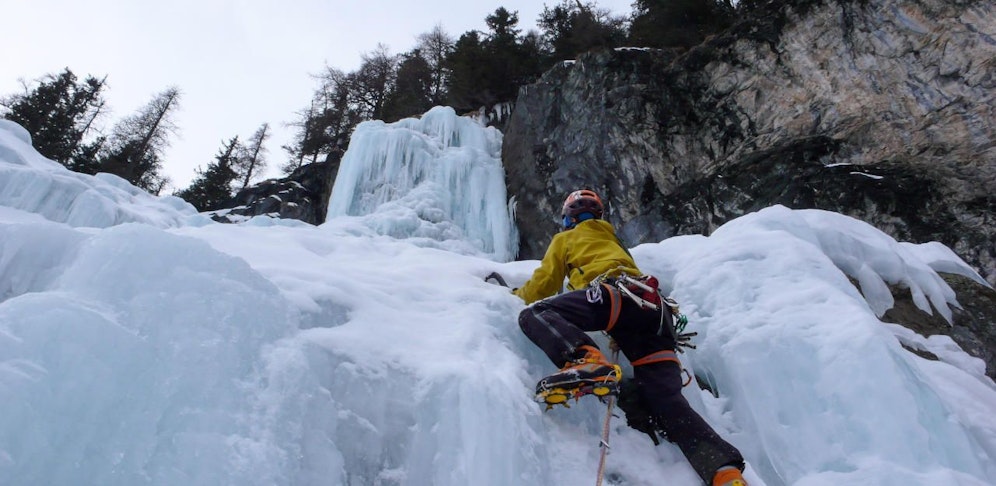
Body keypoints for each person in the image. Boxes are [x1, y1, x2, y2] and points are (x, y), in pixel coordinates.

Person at [513, 189, 747, 486]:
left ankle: (586, 360)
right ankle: (725, 473)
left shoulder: (566, 239)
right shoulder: (614, 241)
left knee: (535, 314)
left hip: (614, 298)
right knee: (667, 401)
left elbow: (543, 286)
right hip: (655, 313)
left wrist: (512, 296)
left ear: (569, 219)